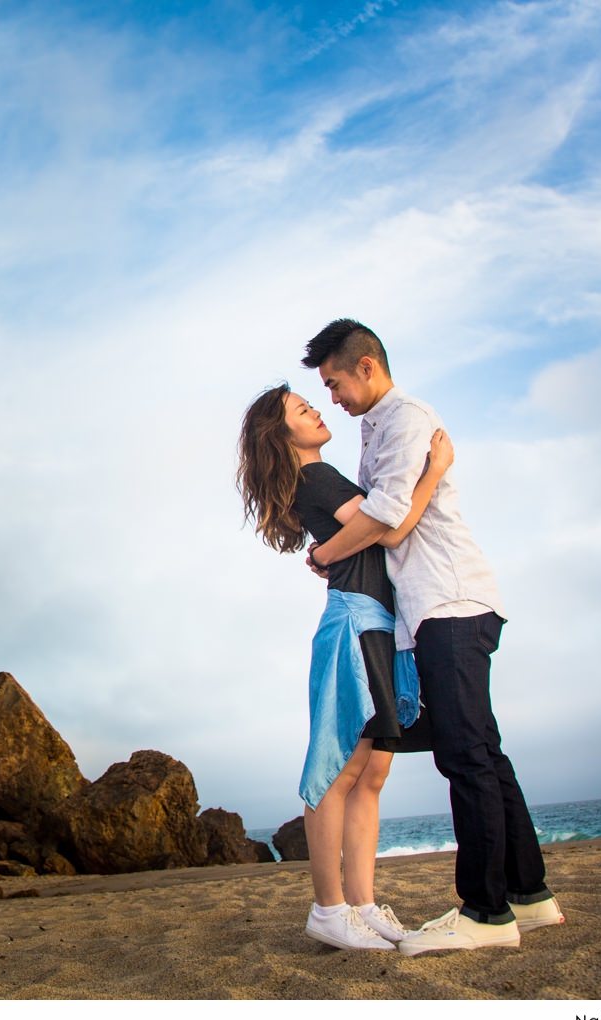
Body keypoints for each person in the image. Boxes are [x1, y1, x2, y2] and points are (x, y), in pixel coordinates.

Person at [302, 318, 564, 955]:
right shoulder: (375, 429)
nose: (331, 397)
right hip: (436, 610)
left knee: (465, 755)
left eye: (334, 382)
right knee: (484, 750)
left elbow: (388, 523)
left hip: (449, 601)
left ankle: (484, 913)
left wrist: (325, 554)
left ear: (366, 366)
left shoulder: (406, 419)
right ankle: (530, 897)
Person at [238, 382, 450, 951]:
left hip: (380, 623)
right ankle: (329, 910)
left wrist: (325, 554)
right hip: (355, 624)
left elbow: (374, 533)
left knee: (372, 774)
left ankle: (362, 904)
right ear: (280, 437)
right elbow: (391, 526)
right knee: (340, 771)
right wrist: (436, 472)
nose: (314, 410)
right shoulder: (317, 477)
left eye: (310, 403)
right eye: (300, 410)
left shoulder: (322, 478)